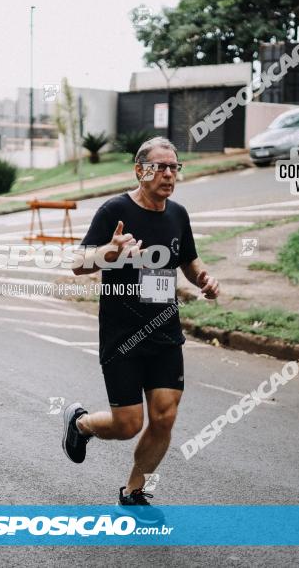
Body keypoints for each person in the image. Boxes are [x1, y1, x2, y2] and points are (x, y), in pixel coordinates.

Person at [63, 137, 219, 522]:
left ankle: (134, 493)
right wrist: (108, 253)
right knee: (128, 423)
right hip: (122, 335)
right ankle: (81, 423)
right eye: (160, 167)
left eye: (174, 167)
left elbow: (189, 259)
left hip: (164, 332)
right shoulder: (114, 210)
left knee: (165, 416)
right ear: (139, 170)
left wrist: (202, 278)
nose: (168, 174)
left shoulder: (178, 214)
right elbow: (77, 263)